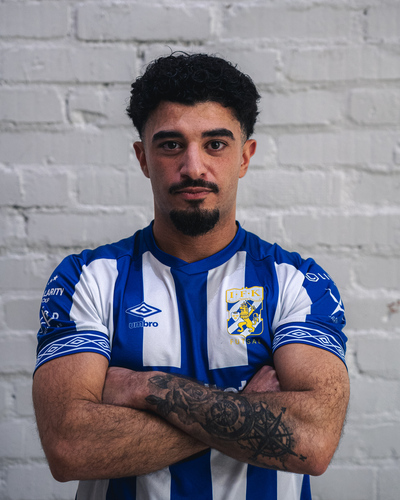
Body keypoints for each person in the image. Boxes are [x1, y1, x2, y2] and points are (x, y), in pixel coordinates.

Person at [32, 53, 349, 500]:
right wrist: (247, 408)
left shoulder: (297, 283)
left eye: (215, 144)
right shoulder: (87, 280)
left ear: (245, 157)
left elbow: (312, 442)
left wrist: (141, 386)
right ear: (143, 158)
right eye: (170, 145)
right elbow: (71, 447)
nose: (194, 167)